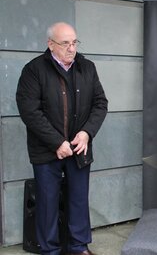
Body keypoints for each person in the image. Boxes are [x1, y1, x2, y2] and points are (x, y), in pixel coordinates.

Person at [16, 22, 108, 255]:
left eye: (74, 42)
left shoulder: (87, 67)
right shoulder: (34, 69)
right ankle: (50, 250)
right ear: (50, 44)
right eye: (65, 43)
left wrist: (87, 133)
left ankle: (78, 247)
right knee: (47, 204)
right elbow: (29, 111)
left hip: (80, 146)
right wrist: (57, 142)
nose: (71, 48)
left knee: (78, 200)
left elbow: (100, 104)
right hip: (47, 149)